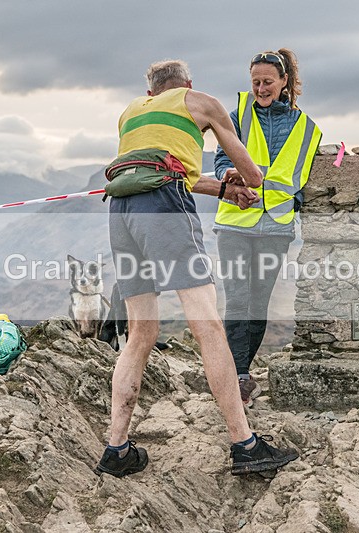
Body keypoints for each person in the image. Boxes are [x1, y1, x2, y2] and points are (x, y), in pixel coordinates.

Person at [94, 59, 299, 478]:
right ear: (187, 84)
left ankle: (116, 449)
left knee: (141, 333)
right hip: (164, 207)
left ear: (151, 93)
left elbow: (166, 171)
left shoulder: (131, 112)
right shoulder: (200, 102)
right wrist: (243, 180)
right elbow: (253, 175)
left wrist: (222, 189)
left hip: (121, 210)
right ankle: (245, 445)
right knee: (208, 325)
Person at [213, 49, 321, 406]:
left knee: (258, 303)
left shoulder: (305, 127)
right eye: (255, 82)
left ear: (284, 81)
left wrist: (295, 203)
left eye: (268, 82)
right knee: (237, 298)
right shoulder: (237, 116)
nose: (261, 89)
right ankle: (239, 376)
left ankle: (242, 371)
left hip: (276, 226)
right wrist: (226, 176)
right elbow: (220, 159)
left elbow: (302, 176)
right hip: (235, 222)